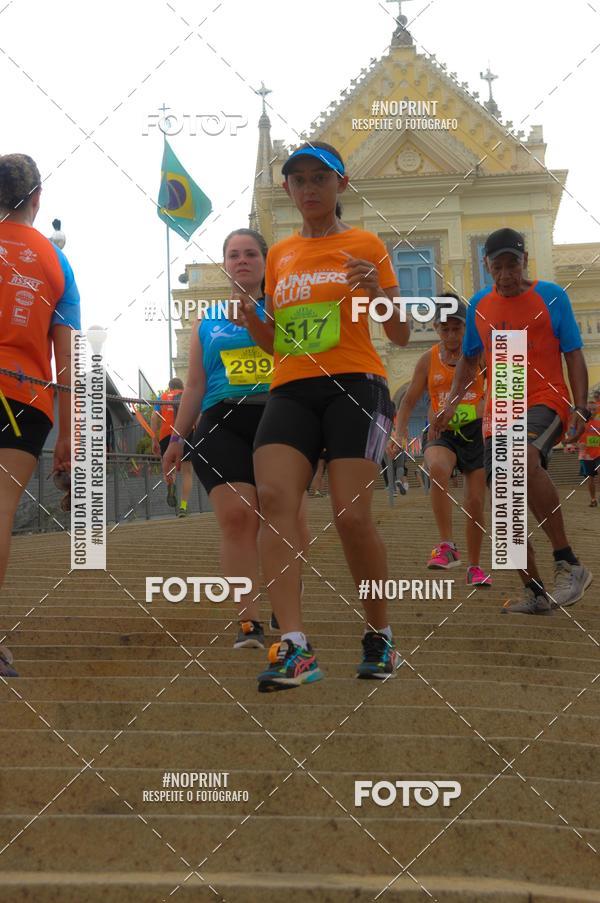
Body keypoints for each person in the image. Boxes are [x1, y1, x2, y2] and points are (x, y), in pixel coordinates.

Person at [241, 141, 410, 691]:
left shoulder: (365, 243)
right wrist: (252, 318)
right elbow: (273, 342)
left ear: (341, 186)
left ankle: (379, 634)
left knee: (351, 517)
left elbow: (399, 332)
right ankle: (293, 646)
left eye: (321, 178)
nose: (309, 188)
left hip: (356, 386)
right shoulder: (279, 255)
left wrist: (375, 292)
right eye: (299, 180)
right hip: (290, 388)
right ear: (287, 190)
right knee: (272, 501)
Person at [162, 228, 309, 649]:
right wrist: (176, 438)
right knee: (237, 518)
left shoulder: (284, 308)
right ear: (225, 264)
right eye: (233, 255)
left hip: (278, 417)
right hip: (220, 421)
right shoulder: (206, 321)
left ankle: (286, 605)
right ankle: (248, 620)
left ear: (266, 263)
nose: (241, 260)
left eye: (250, 254)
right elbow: (193, 385)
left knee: (288, 520)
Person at [434, 228, 592, 614]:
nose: (505, 275)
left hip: (545, 396)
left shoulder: (551, 296)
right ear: (486, 266)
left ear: (525, 263)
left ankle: (568, 562)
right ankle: (536, 591)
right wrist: (452, 403)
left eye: (512, 265)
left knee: (521, 456)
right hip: (502, 401)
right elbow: (470, 359)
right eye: (497, 266)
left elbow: (573, 353)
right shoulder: (480, 305)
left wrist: (581, 406)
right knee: (504, 503)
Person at [0, 154, 81, 675]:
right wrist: (69, 438)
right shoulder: (56, 263)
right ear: (36, 199)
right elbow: (69, 362)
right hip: (25, 399)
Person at [394, 297, 491, 586]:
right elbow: (409, 400)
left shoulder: (480, 354)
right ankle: (446, 545)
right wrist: (399, 434)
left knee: (474, 502)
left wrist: (483, 406)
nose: (451, 336)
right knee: (435, 467)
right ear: (436, 328)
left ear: (467, 329)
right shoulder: (428, 359)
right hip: (441, 433)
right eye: (444, 329)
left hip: (475, 432)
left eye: (457, 329)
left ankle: (474, 565)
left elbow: (500, 388)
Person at [151, 377, 194, 517]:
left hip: (166, 435)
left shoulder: (162, 397)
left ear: (169, 388)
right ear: (181, 386)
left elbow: (154, 417)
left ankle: (171, 483)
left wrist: (154, 439)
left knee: (169, 468)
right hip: (185, 433)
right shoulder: (187, 394)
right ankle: (183, 507)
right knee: (187, 472)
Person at [577, 390, 600, 507]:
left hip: (598, 453)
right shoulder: (580, 423)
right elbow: (575, 437)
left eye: (594, 410)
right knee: (590, 477)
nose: (591, 412)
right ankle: (593, 499)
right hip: (586, 455)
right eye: (589, 410)